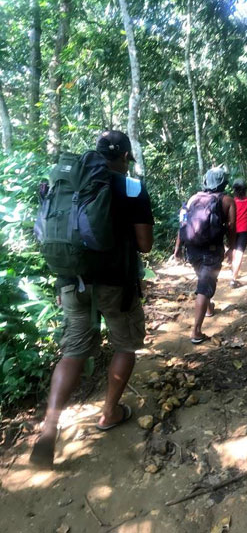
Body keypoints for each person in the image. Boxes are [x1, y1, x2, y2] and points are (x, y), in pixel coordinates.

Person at [30, 131, 154, 468]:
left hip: (72, 281)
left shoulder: (71, 186)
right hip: (116, 284)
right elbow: (145, 245)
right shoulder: (132, 188)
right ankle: (110, 412)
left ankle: (49, 429)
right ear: (126, 157)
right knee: (124, 344)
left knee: (72, 352)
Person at [174, 167, 236, 344]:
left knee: (204, 280)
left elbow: (183, 222)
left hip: (192, 248)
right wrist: (231, 248)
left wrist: (178, 247)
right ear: (223, 182)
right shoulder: (227, 201)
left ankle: (209, 308)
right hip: (212, 249)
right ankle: (196, 332)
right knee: (205, 286)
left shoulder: (193, 198)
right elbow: (232, 226)